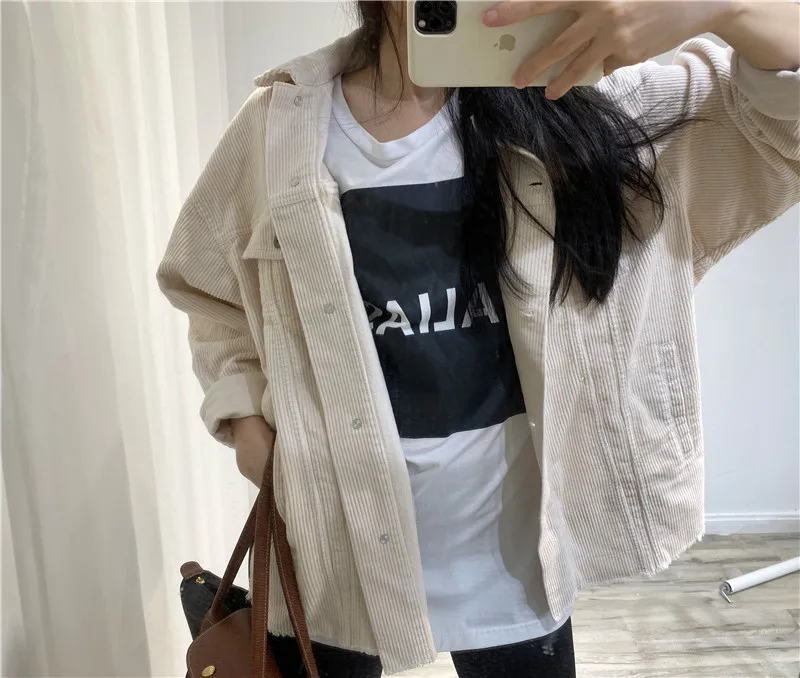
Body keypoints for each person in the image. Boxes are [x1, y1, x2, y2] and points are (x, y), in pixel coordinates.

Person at [158, 2, 799, 676]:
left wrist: (720, 6)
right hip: (338, 550)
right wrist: (246, 418)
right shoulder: (281, 130)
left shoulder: (590, 106)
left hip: (517, 569)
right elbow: (210, 289)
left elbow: (778, 121)